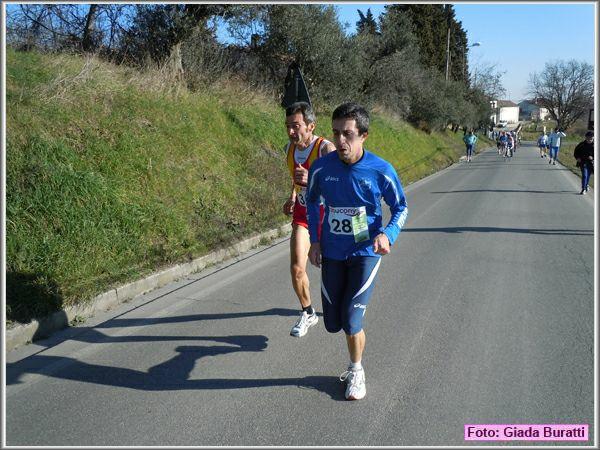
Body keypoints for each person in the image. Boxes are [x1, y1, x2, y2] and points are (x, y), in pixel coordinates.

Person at [306, 102, 408, 400]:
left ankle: (356, 370)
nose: (339, 141)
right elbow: (312, 202)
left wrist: (388, 235)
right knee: (332, 323)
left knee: (351, 320)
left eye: (347, 134)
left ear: (363, 135)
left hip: (365, 252)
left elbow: (401, 206)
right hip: (333, 253)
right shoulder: (322, 168)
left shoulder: (380, 170)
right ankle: (350, 348)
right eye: (335, 133)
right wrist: (315, 240)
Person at [283, 101, 336, 337]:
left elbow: (341, 185)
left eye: (296, 126)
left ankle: (344, 308)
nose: (291, 132)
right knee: (296, 267)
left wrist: (314, 179)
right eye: (288, 126)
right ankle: (308, 312)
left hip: (332, 216)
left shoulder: (326, 149)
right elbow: (296, 181)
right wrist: (292, 196)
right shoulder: (290, 150)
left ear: (311, 125)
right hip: (304, 214)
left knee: (333, 273)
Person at [573, 131, 594, 195]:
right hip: (583, 162)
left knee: (588, 176)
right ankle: (583, 189)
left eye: (591, 138)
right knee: (584, 175)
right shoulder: (581, 144)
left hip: (591, 163)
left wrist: (593, 157)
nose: (589, 140)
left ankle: (586, 184)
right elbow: (575, 152)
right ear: (585, 137)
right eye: (588, 138)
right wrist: (577, 158)